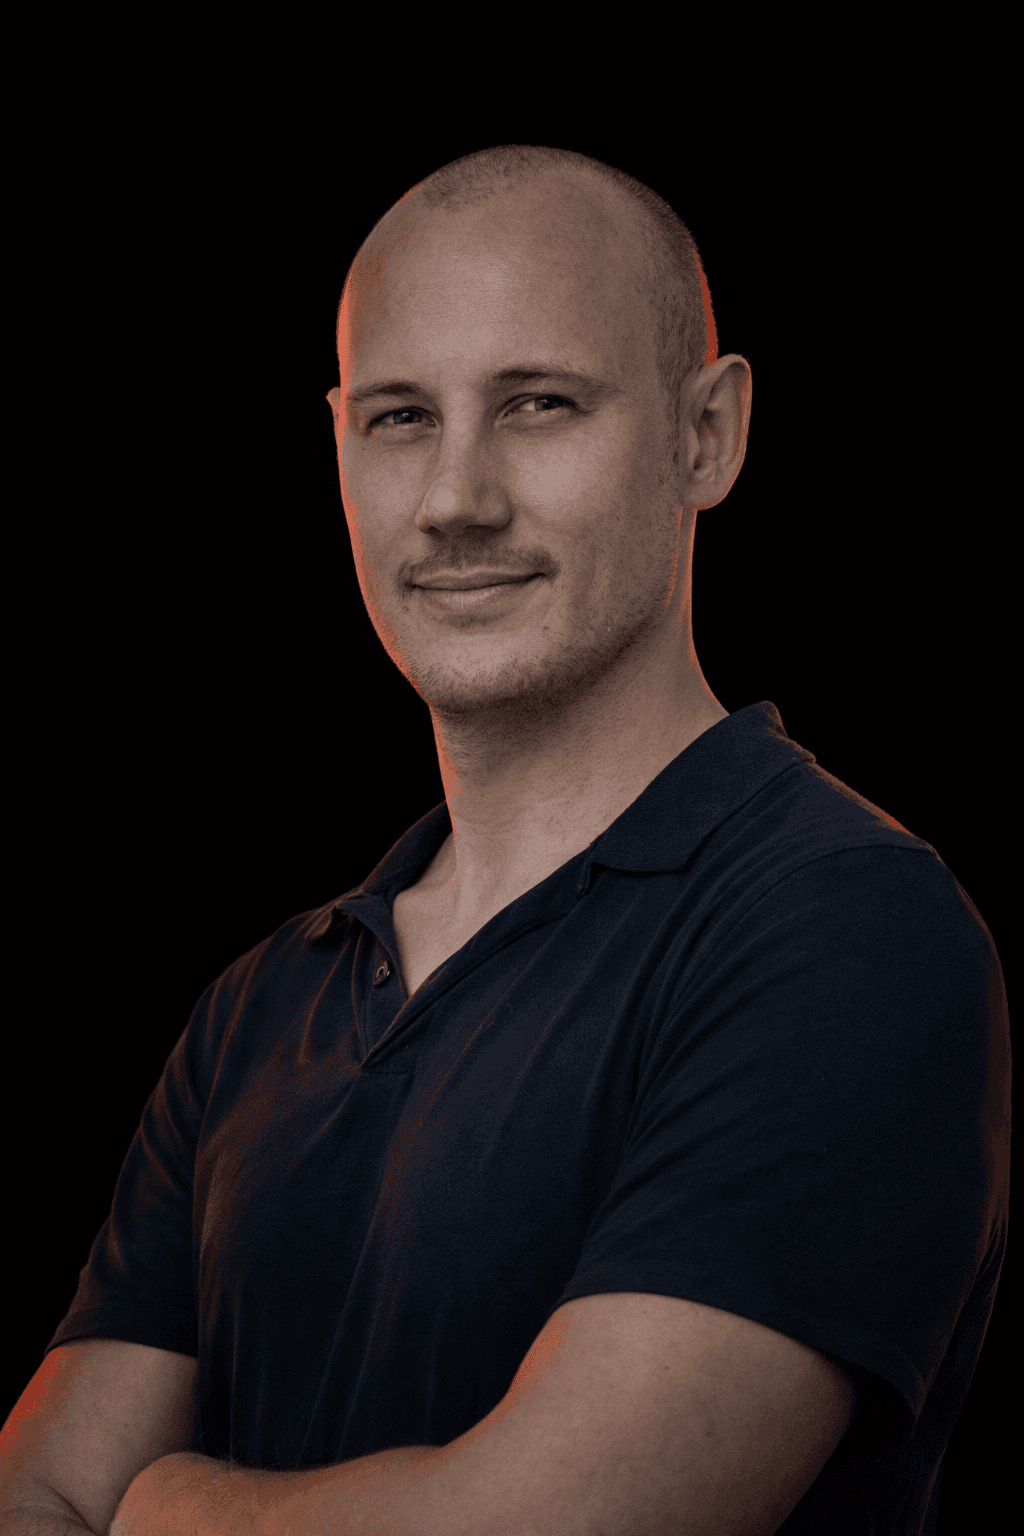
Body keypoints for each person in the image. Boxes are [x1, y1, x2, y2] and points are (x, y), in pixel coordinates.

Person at [0, 145, 1009, 1536]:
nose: (456, 498)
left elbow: (556, 1525)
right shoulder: (259, 1009)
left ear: (707, 436)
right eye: (401, 418)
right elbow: (42, 1488)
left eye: (539, 404)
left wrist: (170, 1506)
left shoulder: (844, 931)